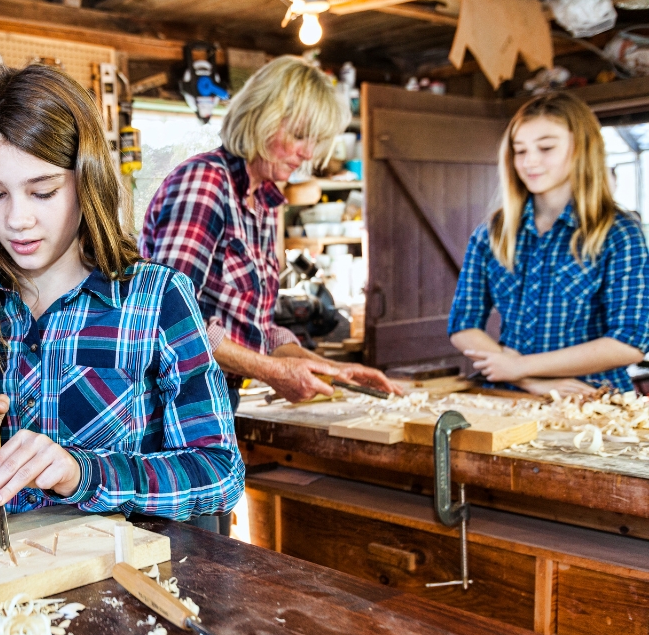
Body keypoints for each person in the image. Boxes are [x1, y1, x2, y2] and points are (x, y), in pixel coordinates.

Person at [0, 64, 244, 532]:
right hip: (1, 598)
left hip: (124, 585)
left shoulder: (157, 300)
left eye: (42, 192)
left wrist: (82, 473)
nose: (17, 219)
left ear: (87, 181)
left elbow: (219, 475)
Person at [140, 56, 401, 405]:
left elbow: (254, 330)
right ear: (261, 117)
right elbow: (168, 319)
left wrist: (330, 369)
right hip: (173, 402)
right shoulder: (206, 184)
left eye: (314, 140)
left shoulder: (263, 200)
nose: (307, 153)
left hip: (217, 396)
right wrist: (271, 371)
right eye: (298, 136)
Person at [449, 92, 648, 394]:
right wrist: (524, 379)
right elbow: (463, 324)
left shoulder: (619, 233)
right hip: (508, 397)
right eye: (520, 150)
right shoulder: (491, 233)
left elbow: (630, 341)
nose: (530, 161)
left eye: (546, 148)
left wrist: (521, 366)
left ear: (582, 148)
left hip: (594, 400)